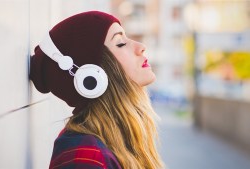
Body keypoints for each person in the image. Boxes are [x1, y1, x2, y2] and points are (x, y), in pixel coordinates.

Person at [30, 11, 163, 169]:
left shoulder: (115, 141)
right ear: (89, 77)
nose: (141, 46)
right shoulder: (85, 157)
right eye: (120, 43)